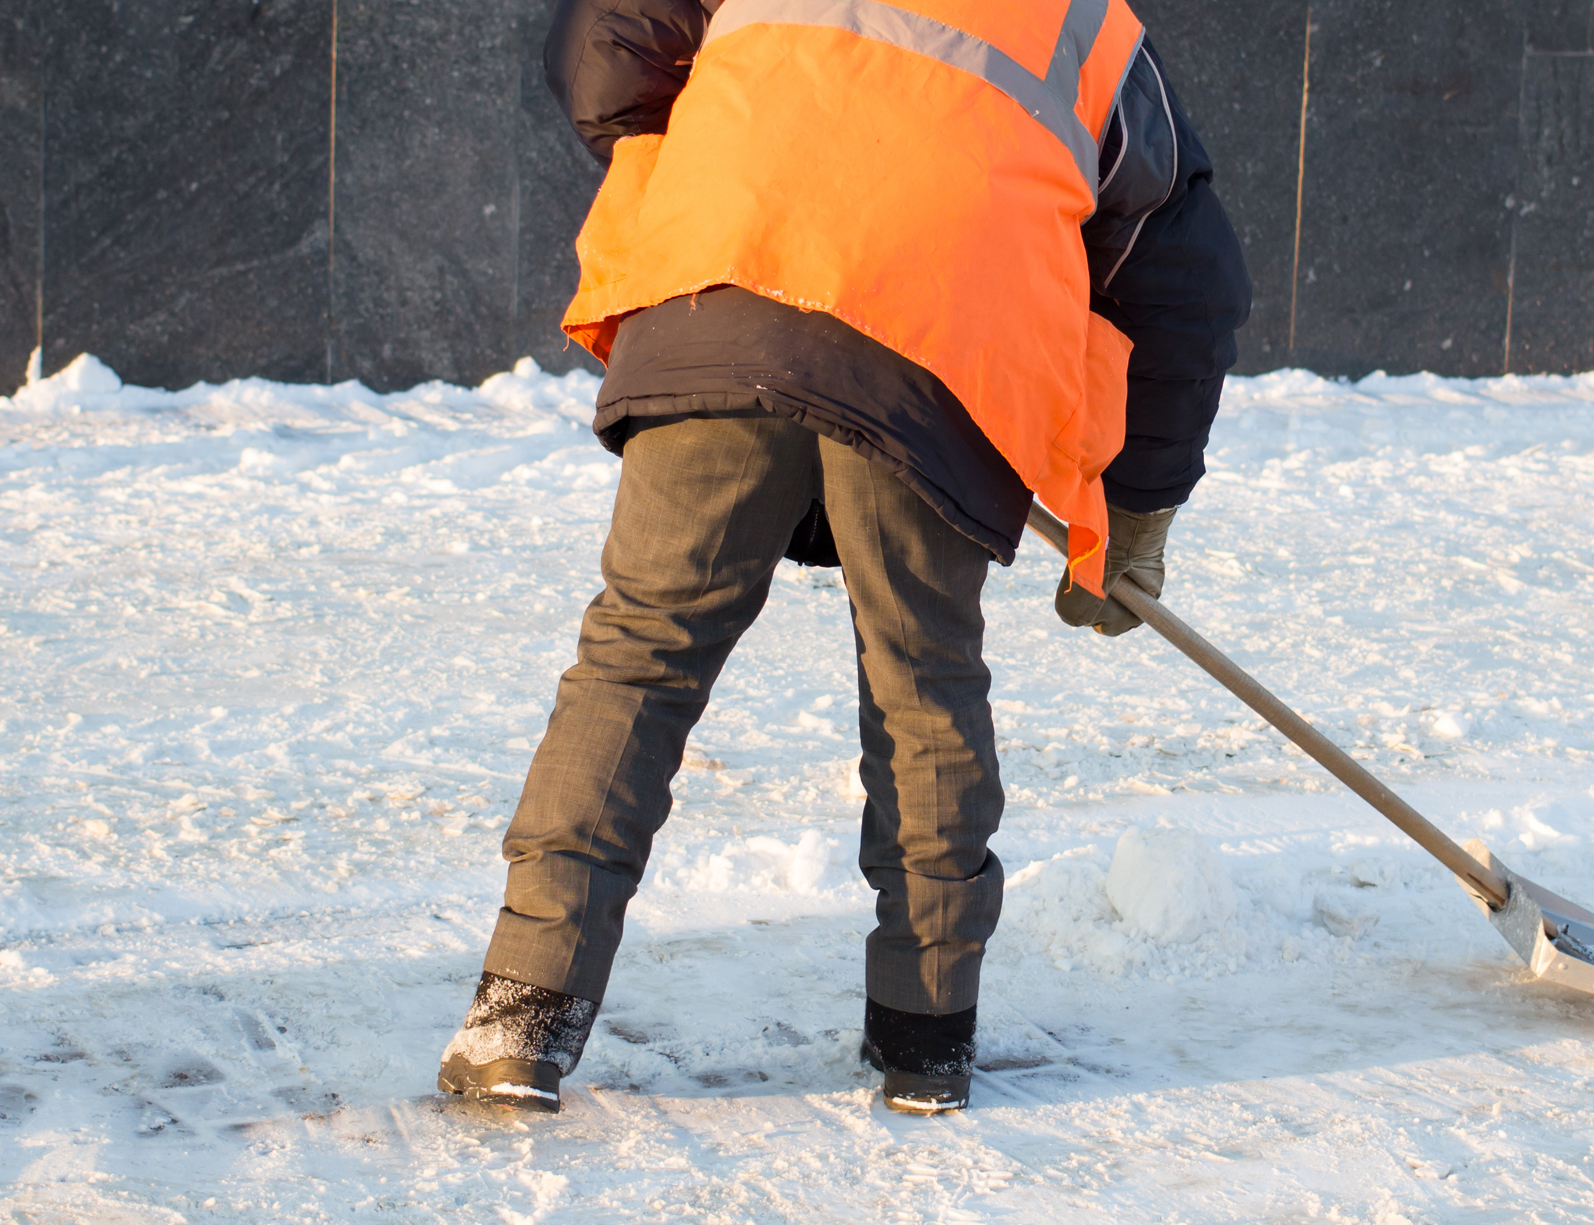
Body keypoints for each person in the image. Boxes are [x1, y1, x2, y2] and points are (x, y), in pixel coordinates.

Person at [435, 0, 1249, 1114]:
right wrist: (1139, 508)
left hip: (723, 279)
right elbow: (1182, 279)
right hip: (944, 349)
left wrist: (727, 152)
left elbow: (606, 53)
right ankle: (926, 1041)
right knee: (924, 677)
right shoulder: (1095, 31)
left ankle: (520, 1017)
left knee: (639, 654)